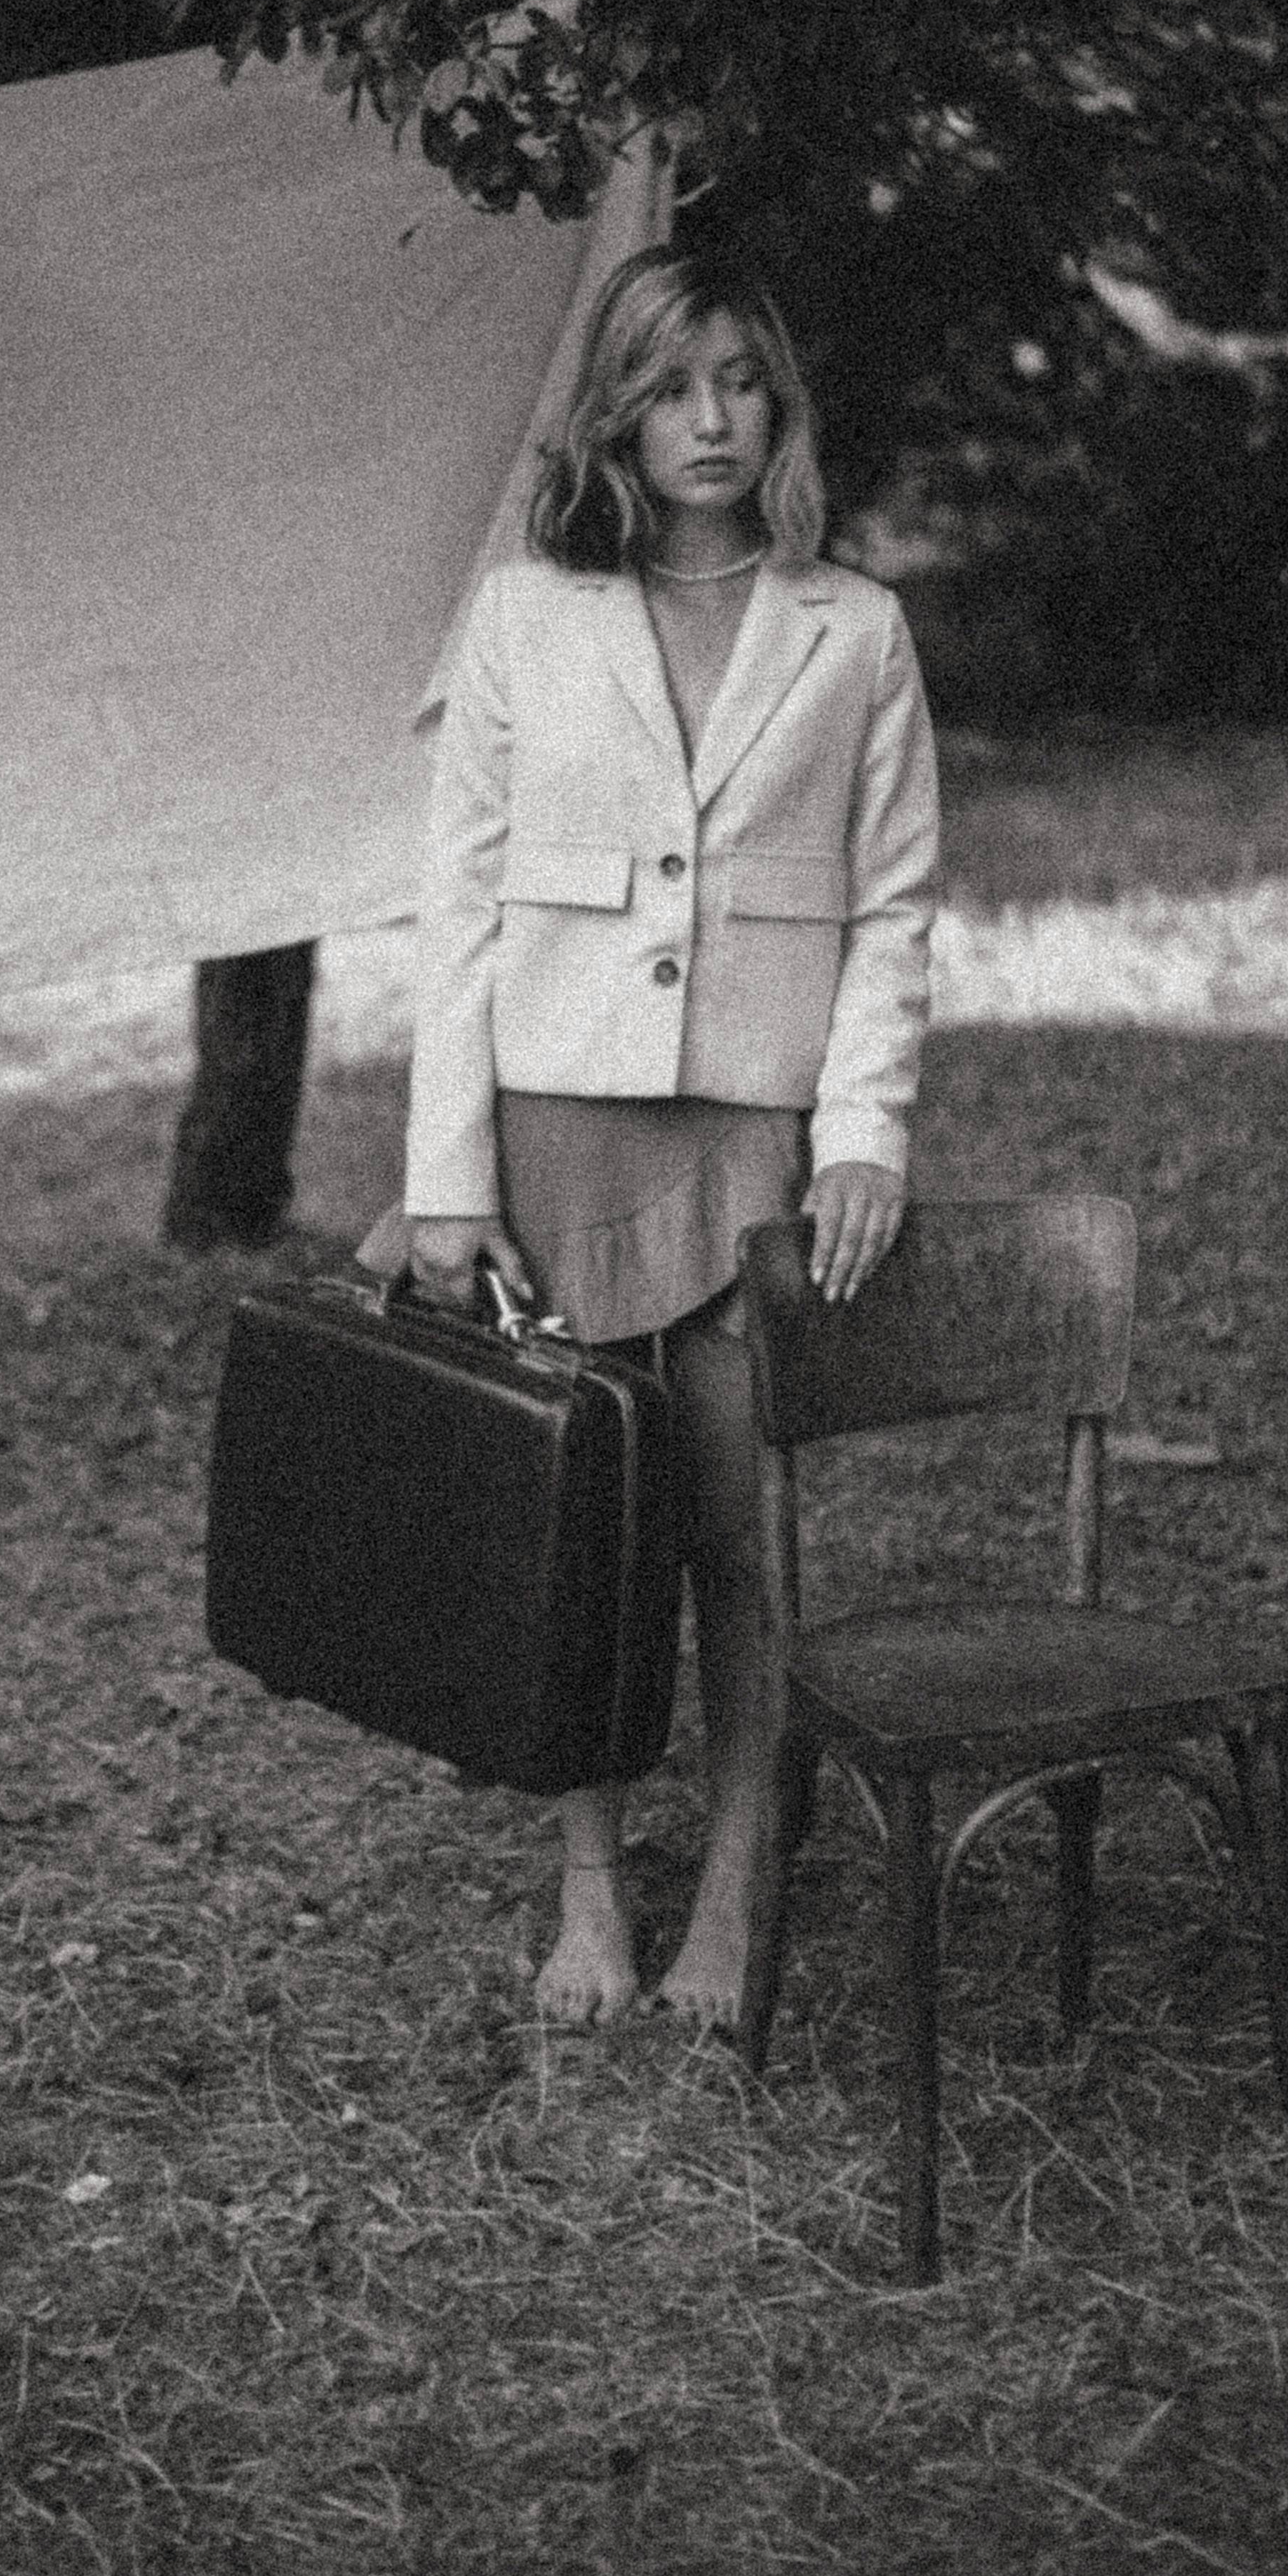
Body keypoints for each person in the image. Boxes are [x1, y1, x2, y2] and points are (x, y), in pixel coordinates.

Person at [382, 240, 939, 2031]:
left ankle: (740, 1881)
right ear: (616, 410)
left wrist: (861, 1136)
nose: (710, 419)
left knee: (734, 1532)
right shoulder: (525, 614)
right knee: (586, 1528)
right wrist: (445, 1185)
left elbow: (897, 910)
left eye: (741, 381)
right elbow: (455, 909)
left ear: (779, 401)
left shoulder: (853, 629)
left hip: (753, 1142)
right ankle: (591, 1890)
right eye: (670, 385)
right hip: (557, 1133)